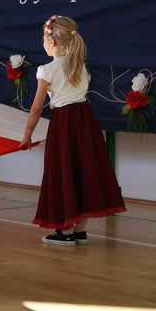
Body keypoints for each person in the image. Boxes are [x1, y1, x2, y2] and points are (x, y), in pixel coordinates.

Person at [19, 15, 127, 246]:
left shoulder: (47, 70)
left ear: (53, 42)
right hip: (86, 121)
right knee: (84, 170)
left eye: (44, 39)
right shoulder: (80, 65)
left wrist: (27, 134)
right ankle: (79, 231)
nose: (43, 43)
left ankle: (64, 231)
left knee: (63, 170)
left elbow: (37, 107)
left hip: (64, 123)